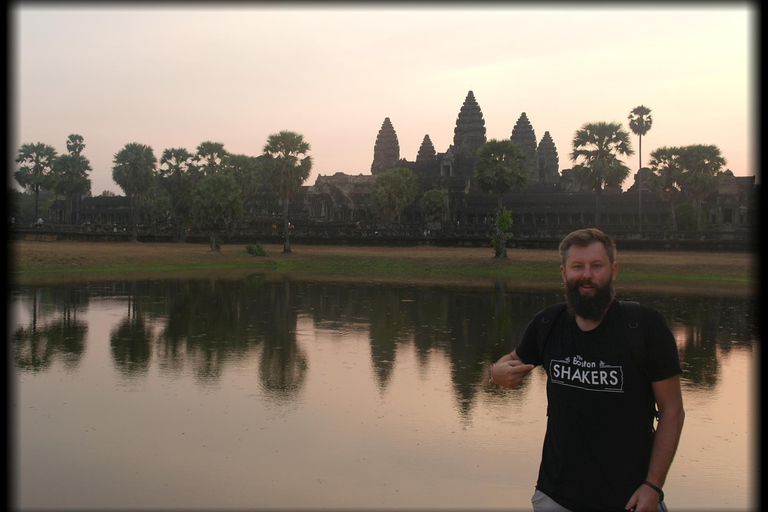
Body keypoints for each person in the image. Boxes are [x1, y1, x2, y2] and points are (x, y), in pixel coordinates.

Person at [489, 228, 684, 512]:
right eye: (577, 267)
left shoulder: (644, 327)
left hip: (631, 500)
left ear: (613, 270)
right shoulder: (549, 323)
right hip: (555, 497)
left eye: (596, 266)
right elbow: (510, 360)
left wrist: (653, 486)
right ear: (564, 272)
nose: (586, 276)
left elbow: (672, 411)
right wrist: (494, 372)